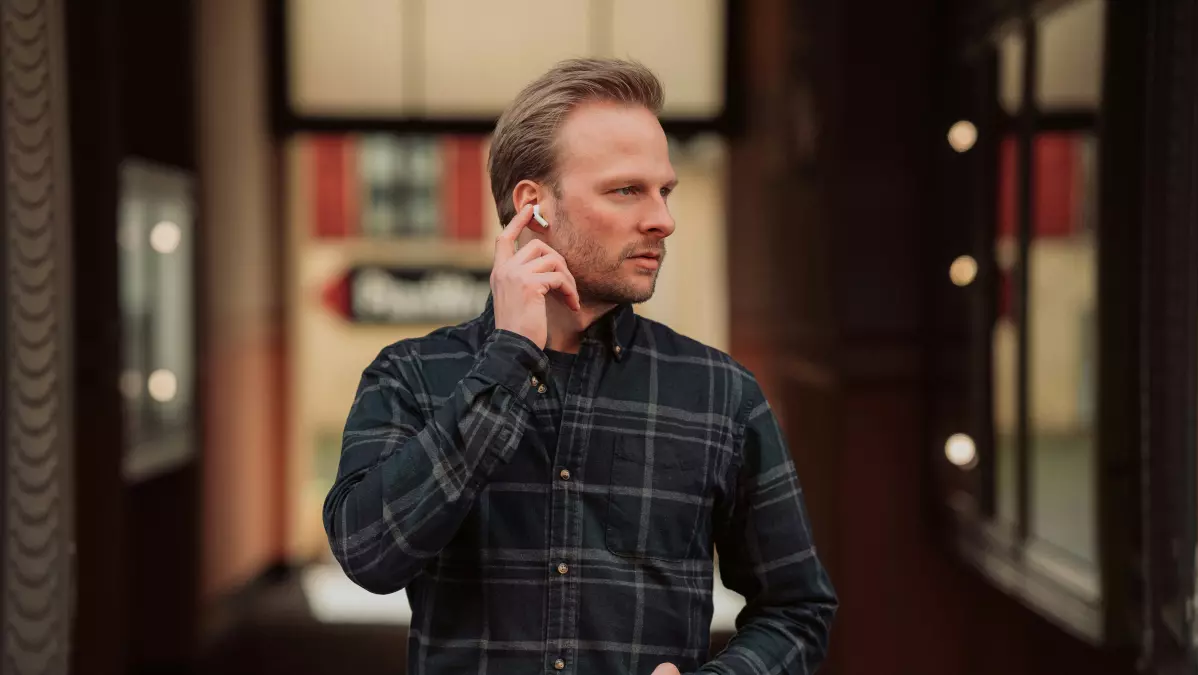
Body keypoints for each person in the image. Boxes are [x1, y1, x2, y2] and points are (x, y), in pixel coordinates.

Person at [324, 58, 837, 675]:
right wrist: (508, 361)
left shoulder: (720, 394)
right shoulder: (411, 376)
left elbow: (798, 610)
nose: (662, 220)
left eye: (665, 191)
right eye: (627, 190)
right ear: (533, 206)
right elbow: (369, 555)